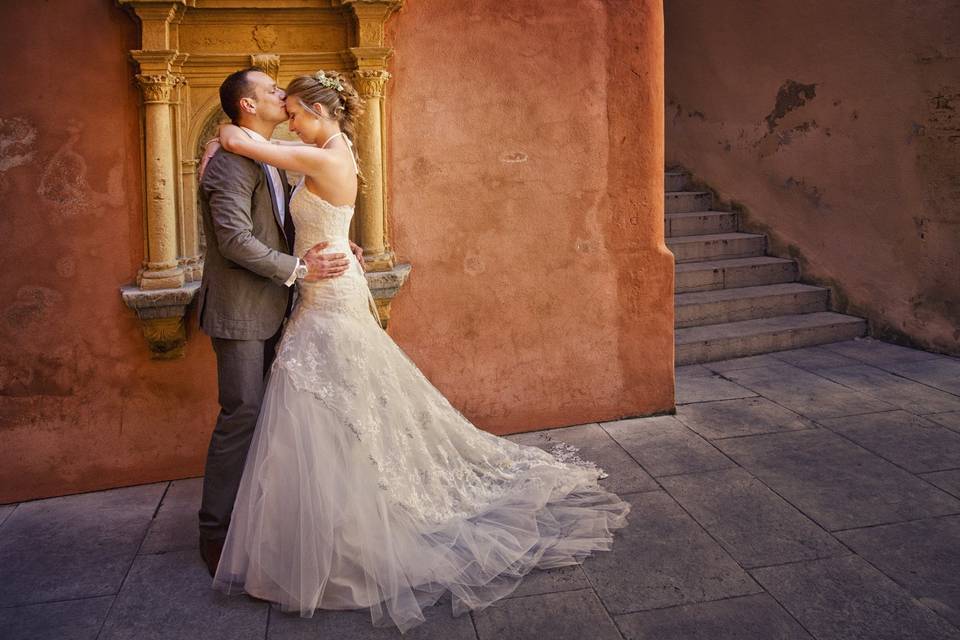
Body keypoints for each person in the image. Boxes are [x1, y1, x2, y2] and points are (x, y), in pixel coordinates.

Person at [210, 69, 631, 633]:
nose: (286, 110)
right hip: (305, 289)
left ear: (319, 112)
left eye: (294, 107)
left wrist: (226, 135)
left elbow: (244, 143)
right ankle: (262, 526)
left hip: (323, 293)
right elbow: (269, 213)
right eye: (276, 99)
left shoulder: (312, 154)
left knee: (332, 404)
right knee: (299, 407)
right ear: (249, 102)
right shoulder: (315, 149)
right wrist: (328, 243)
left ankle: (343, 521)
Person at [195, 67, 363, 578]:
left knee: (273, 417)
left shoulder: (268, 158)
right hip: (243, 311)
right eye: (271, 91)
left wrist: (333, 241)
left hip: (282, 306)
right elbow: (234, 241)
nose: (281, 96)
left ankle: (260, 519)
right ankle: (215, 531)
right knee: (242, 414)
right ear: (248, 105)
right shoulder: (230, 162)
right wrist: (301, 267)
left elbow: (285, 224)